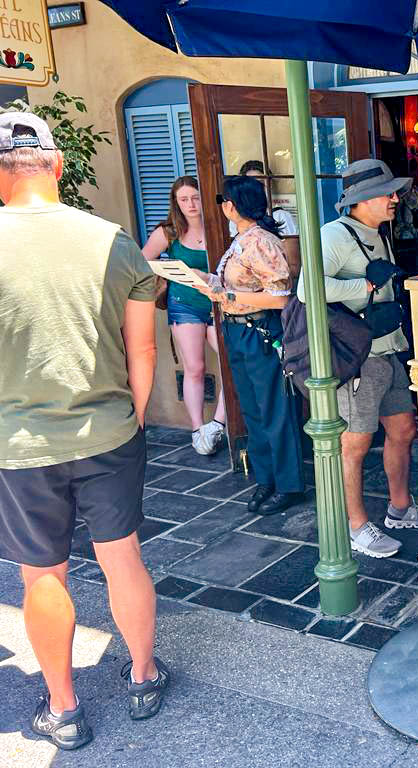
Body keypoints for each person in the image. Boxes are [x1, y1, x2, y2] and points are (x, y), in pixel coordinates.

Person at [0, 113, 169, 750]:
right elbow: (143, 350)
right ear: (58, 164)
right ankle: (143, 676)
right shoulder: (112, 241)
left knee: (42, 573)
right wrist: (134, 417)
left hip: (19, 444)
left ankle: (64, 709)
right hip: (109, 432)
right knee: (122, 557)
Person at [296, 159, 418, 559]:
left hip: (388, 348)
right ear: (363, 199)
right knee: (354, 443)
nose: (395, 198)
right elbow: (307, 289)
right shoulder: (334, 235)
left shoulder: (376, 233)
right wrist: (363, 286)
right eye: (387, 192)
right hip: (358, 358)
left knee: (402, 429)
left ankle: (400, 508)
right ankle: (355, 526)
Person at [192, 175, 305, 516]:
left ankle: (288, 484)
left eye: (223, 200)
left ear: (232, 205)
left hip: (260, 331)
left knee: (273, 408)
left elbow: (280, 297)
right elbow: (237, 286)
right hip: (238, 330)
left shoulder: (261, 242)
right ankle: (266, 478)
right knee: (253, 410)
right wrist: (207, 282)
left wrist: (225, 295)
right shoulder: (241, 240)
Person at [141, 176, 227, 455]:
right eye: (184, 199)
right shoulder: (168, 232)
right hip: (184, 305)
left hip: (218, 304)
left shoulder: (220, 226)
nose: (191, 204)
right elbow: (142, 261)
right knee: (195, 367)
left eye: (195, 197)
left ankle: (218, 424)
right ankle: (197, 430)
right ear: (176, 203)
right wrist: (168, 272)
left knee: (231, 362)